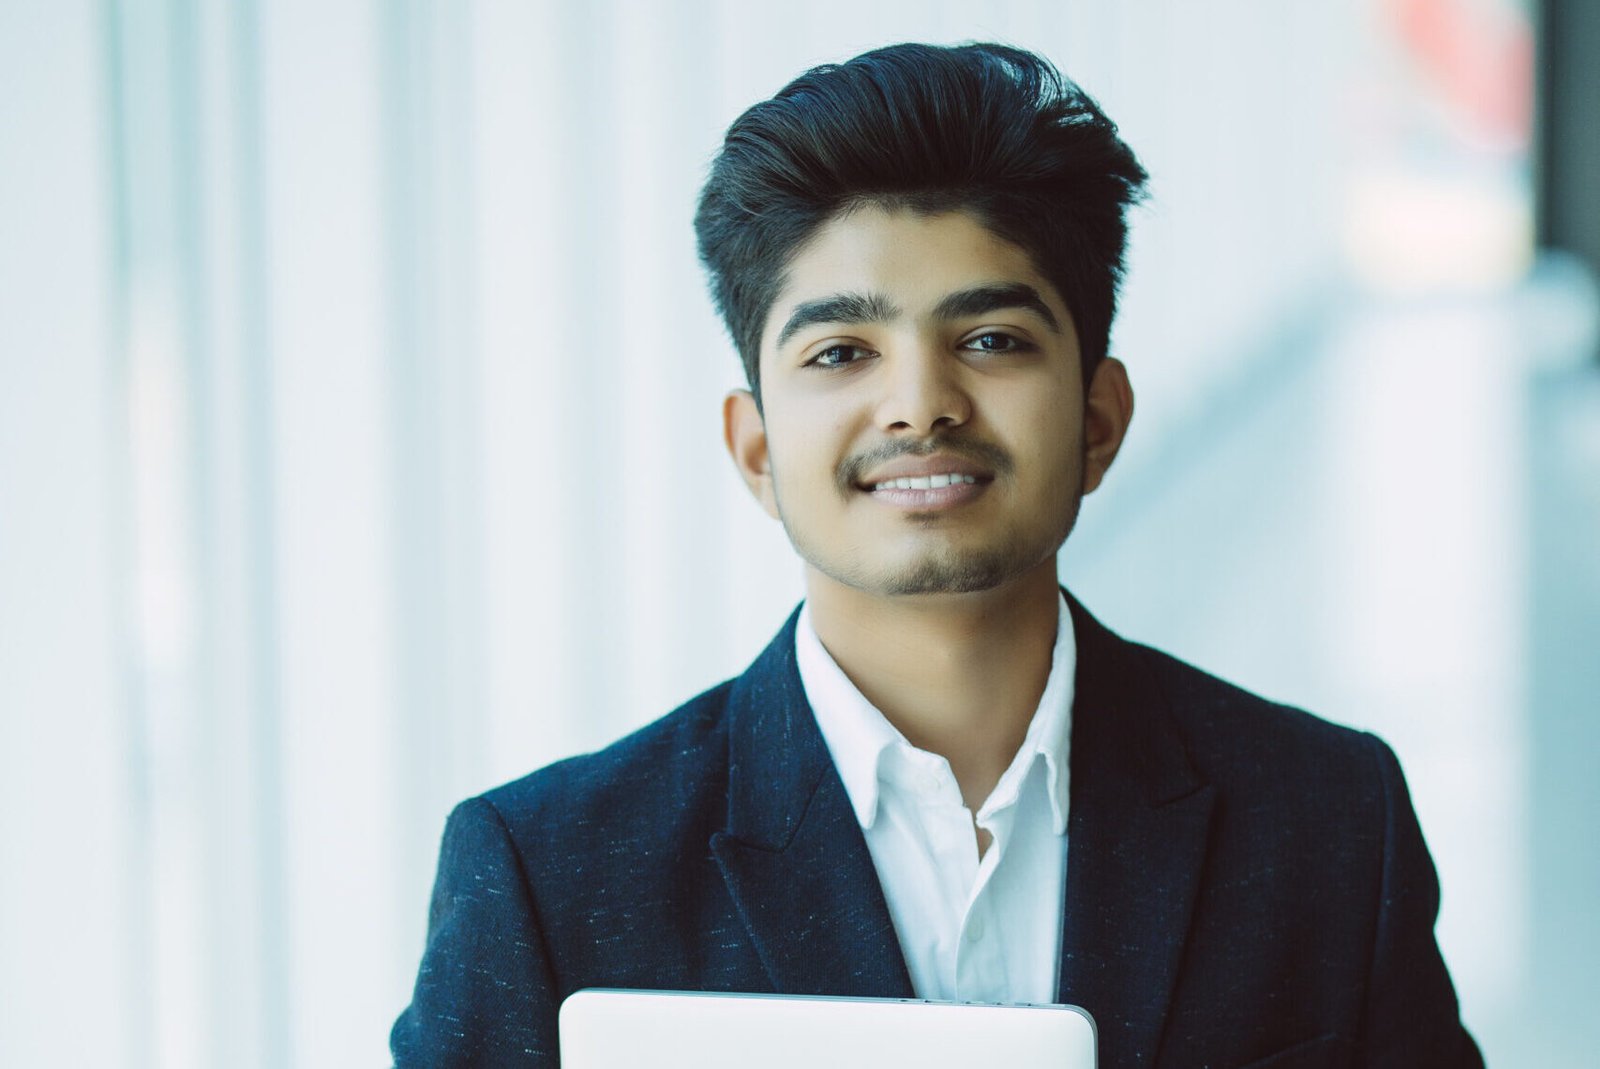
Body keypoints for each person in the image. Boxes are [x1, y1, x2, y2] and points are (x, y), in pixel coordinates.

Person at [391, 42, 1483, 1068]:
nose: (918, 405)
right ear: (758, 448)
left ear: (1099, 418)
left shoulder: (1327, 819)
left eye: (990, 340)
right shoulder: (553, 877)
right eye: (841, 352)